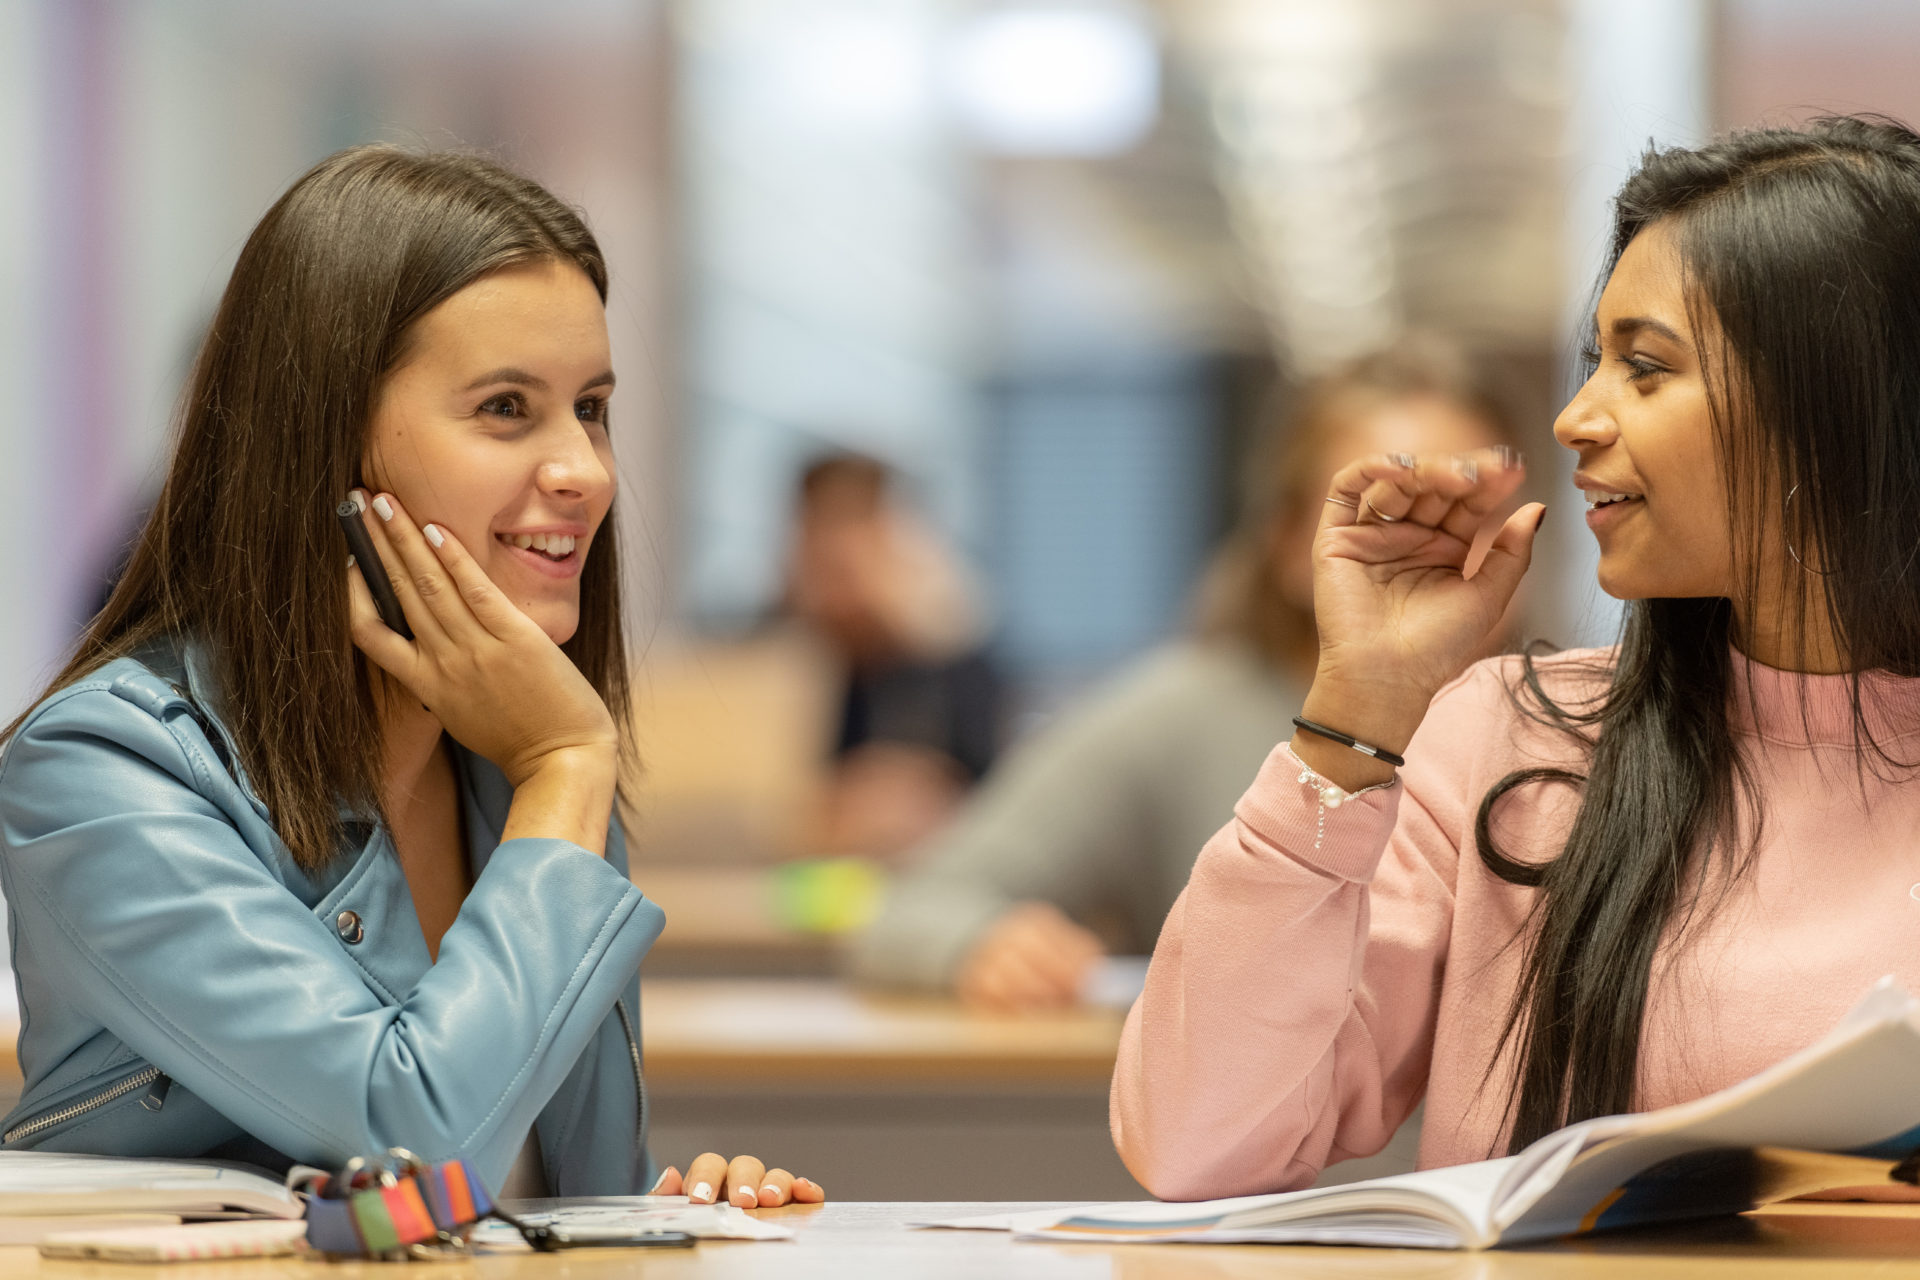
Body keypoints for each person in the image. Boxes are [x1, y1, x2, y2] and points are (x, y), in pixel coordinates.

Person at [1113, 114, 1920, 1201]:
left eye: (1646, 367)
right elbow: (1197, 1144)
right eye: (1599, 361)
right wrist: (1359, 710)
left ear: (1835, 402)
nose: (1576, 415)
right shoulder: (1509, 736)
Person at [0, 145, 818, 1210]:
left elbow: (526, 1189)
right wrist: (566, 766)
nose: (585, 471)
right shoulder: (102, 768)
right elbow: (415, 1143)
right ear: (325, 443)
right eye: (508, 408)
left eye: (593, 407)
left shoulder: (513, 762)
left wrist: (656, 1216)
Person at [850, 342, 1515, 1011]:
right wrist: (987, 943)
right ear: (1289, 544)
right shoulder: (1176, 717)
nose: (1435, 548)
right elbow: (917, 910)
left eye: (1470, 512)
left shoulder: (1559, 727)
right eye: (1390, 515)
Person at [780, 452, 1003, 859]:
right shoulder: (784, 657)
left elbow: (993, 798)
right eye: (821, 528)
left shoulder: (954, 657)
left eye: (857, 524)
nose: (838, 549)